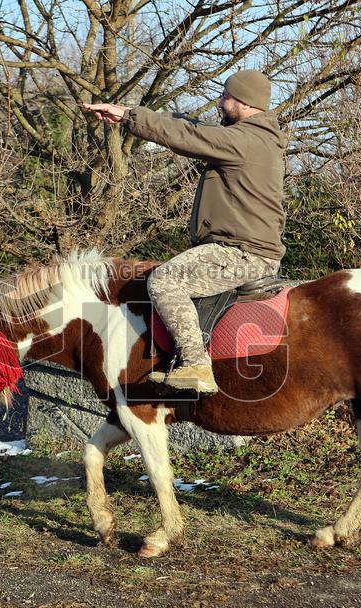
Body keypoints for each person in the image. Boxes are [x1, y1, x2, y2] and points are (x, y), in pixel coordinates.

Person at [84, 70, 286, 393]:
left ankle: (195, 363)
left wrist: (128, 117)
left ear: (245, 102)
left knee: (165, 280)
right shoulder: (257, 139)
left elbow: (187, 135)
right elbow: (190, 125)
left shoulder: (242, 141)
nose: (220, 102)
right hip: (249, 250)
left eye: (226, 96)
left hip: (241, 255)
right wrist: (130, 112)